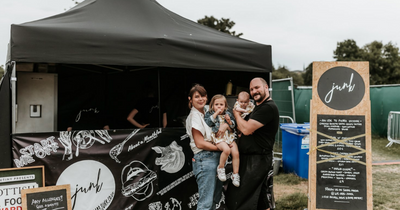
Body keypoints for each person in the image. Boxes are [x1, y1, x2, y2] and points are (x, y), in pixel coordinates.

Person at [226, 77, 279, 210]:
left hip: (257, 160)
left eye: (257, 88)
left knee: (241, 199)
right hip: (252, 158)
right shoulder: (258, 107)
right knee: (260, 199)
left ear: (266, 87)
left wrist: (236, 114)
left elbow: (246, 129)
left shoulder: (268, 108)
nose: (254, 91)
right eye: (251, 89)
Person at [186, 84, 228, 210]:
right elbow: (200, 143)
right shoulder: (194, 116)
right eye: (197, 97)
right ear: (190, 99)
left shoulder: (207, 111)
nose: (201, 99)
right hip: (205, 159)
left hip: (215, 158)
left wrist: (225, 125)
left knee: (215, 201)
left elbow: (226, 117)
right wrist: (222, 148)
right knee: (206, 203)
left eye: (203, 96)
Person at [204, 94, 240, 187]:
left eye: (221, 104)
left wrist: (230, 121)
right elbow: (208, 122)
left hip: (229, 137)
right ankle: (220, 168)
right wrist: (215, 113)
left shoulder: (228, 113)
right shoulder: (210, 113)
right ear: (212, 106)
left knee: (236, 153)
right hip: (219, 138)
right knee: (227, 150)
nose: (219, 106)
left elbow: (233, 126)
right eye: (216, 104)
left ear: (225, 106)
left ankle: (235, 174)